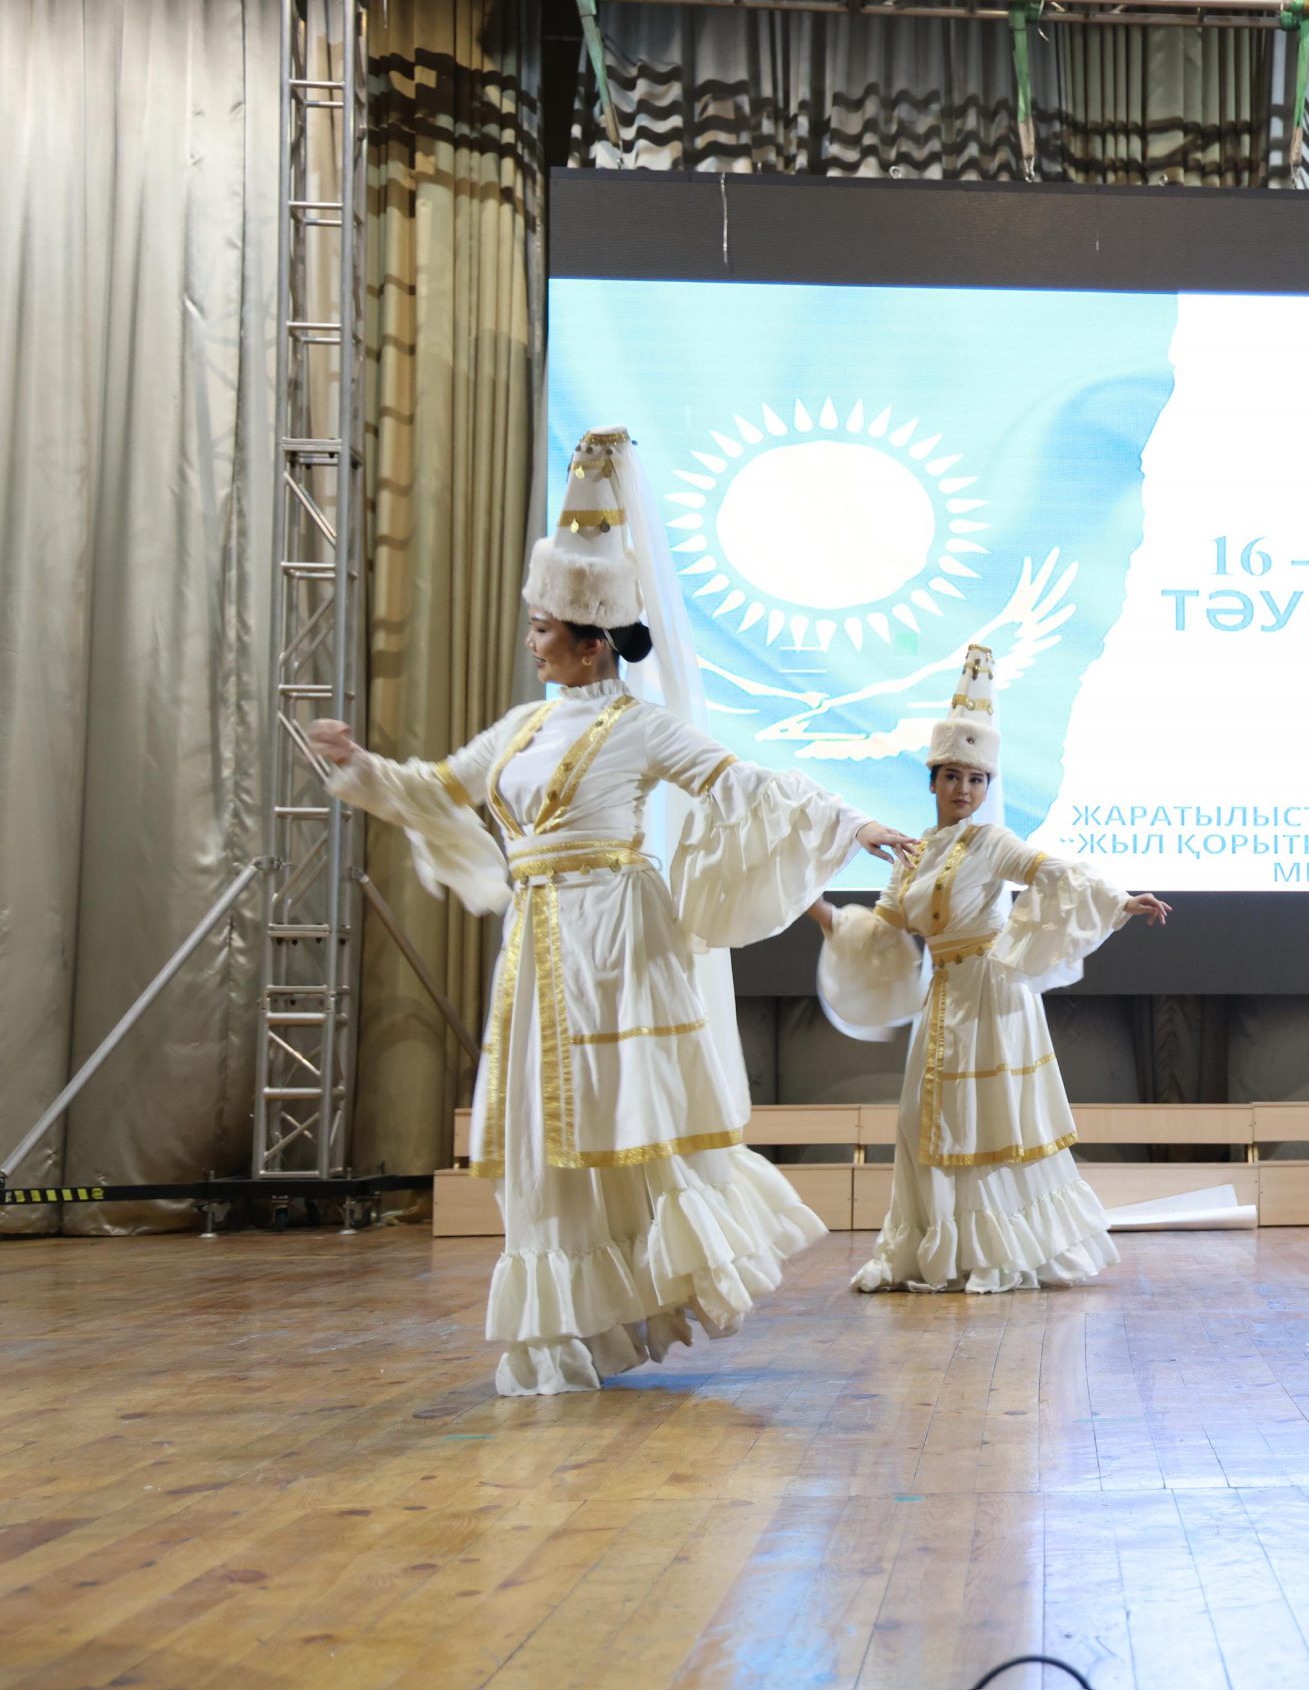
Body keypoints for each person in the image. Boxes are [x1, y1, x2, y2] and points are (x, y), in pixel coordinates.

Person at [311, 428, 919, 1395]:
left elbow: (743, 786)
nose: (531, 641)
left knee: (627, 1121)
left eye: (542, 627)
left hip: (618, 944)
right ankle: (562, 1336)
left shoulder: (641, 728)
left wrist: (853, 822)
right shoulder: (520, 727)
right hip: (541, 942)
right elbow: (437, 788)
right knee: (546, 1136)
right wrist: (357, 766)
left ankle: (637, 1299)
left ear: (592, 639)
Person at [812, 644, 1171, 1294]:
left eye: (977, 779)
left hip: (991, 994)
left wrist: (1120, 901)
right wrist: (819, 910)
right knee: (925, 1120)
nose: (964, 789)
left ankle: (996, 1246)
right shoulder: (912, 854)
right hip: (943, 995)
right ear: (932, 780)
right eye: (953, 775)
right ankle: (937, 1245)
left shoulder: (991, 841)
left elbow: (1054, 874)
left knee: (988, 1118)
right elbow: (882, 933)